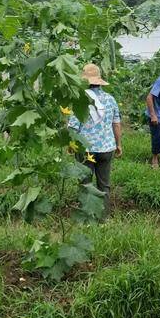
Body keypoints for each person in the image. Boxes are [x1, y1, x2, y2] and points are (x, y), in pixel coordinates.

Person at [68, 64, 122, 215]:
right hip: (106, 149)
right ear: (99, 81)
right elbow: (116, 124)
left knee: (85, 183)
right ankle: (103, 217)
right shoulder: (110, 100)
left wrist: (71, 145)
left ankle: (87, 217)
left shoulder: (80, 100)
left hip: (85, 149)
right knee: (104, 185)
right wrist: (118, 145)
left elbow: (73, 126)